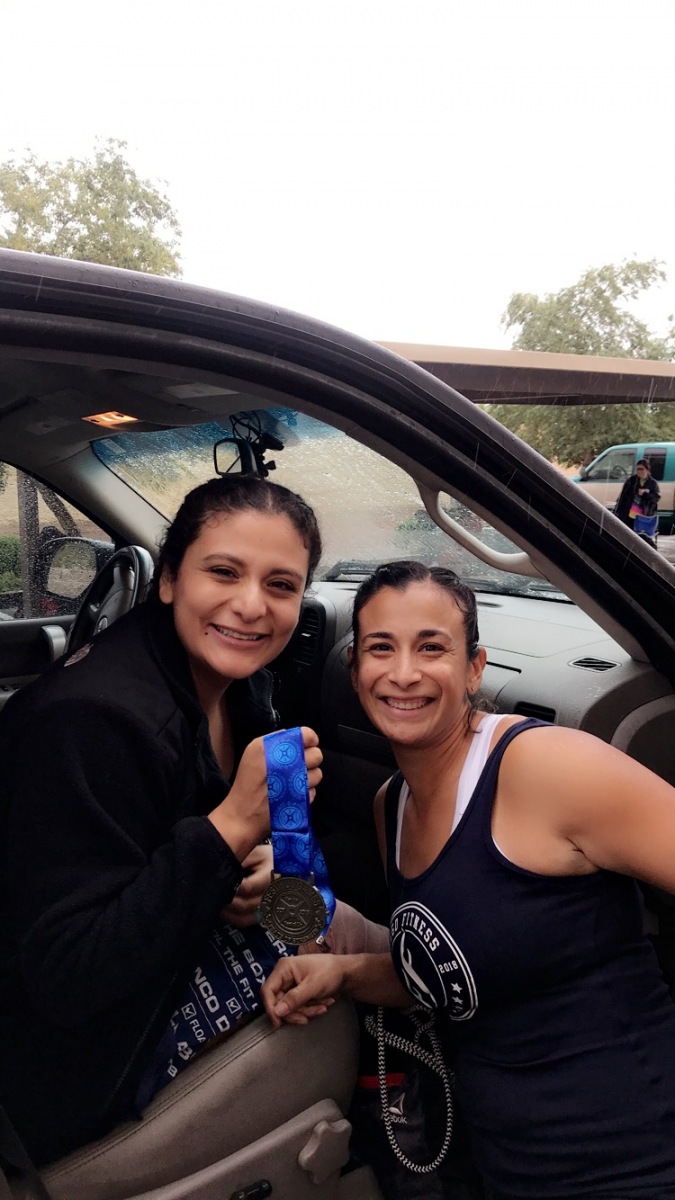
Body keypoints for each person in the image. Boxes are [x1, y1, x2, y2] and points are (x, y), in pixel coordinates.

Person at [263, 560, 675, 1199]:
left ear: (474, 668)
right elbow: (449, 971)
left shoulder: (542, 766)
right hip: (506, 1165)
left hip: (634, 1161)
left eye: (432, 647)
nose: (404, 672)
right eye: (381, 648)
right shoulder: (392, 807)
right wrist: (341, 973)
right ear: (355, 669)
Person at [0, 475, 325, 1166]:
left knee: (340, 935)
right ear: (170, 578)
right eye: (223, 571)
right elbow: (65, 980)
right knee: (343, 994)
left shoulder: (241, 681)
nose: (251, 606)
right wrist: (229, 831)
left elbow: (256, 858)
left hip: (159, 956)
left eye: (281, 585)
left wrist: (260, 857)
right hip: (66, 1068)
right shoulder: (91, 721)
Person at [615, 458, 660, 546]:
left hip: (643, 515)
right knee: (628, 534)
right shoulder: (631, 481)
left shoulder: (652, 483)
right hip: (629, 514)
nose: (639, 471)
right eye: (638, 469)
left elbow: (655, 499)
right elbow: (623, 496)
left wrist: (645, 494)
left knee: (642, 537)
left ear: (647, 470)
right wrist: (617, 510)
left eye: (641, 469)